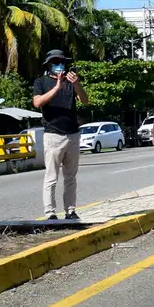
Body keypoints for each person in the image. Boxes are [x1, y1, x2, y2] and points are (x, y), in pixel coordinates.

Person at [32, 49, 89, 221]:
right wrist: (57, 87)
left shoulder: (71, 82)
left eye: (62, 62)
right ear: (49, 65)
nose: (59, 65)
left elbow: (85, 100)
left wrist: (77, 84)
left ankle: (70, 210)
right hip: (52, 135)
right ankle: (50, 212)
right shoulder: (40, 82)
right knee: (51, 177)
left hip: (72, 135)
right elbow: (37, 102)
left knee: (70, 177)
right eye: (55, 62)